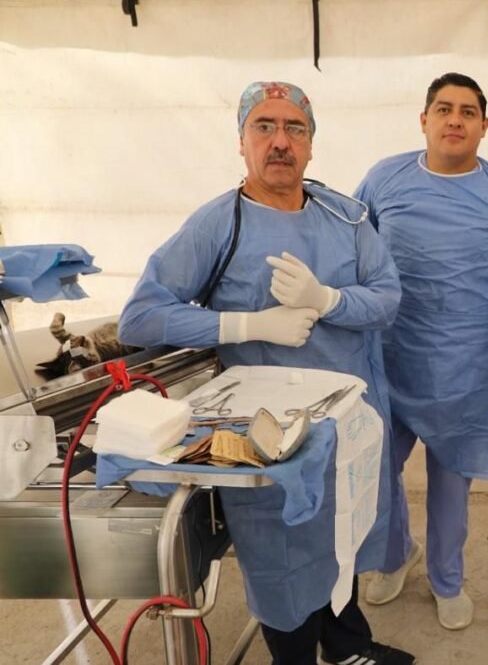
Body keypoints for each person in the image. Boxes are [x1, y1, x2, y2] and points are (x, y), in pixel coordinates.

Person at [118, 81, 414, 665]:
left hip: (345, 424)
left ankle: (347, 647)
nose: (280, 141)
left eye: (294, 128)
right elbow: (141, 318)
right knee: (282, 556)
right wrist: (245, 325)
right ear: (241, 141)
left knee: (342, 535)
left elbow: (387, 300)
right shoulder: (218, 225)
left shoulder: (347, 218)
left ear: (311, 144)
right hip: (266, 437)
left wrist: (328, 300)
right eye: (264, 126)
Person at [353, 72, 488, 631]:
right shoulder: (383, 179)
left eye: (468, 112)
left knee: (450, 488)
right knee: (374, 474)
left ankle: (447, 579)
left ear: (485, 126)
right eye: (444, 109)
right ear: (424, 119)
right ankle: (395, 554)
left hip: (466, 372)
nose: (455, 120)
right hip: (388, 363)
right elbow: (350, 256)